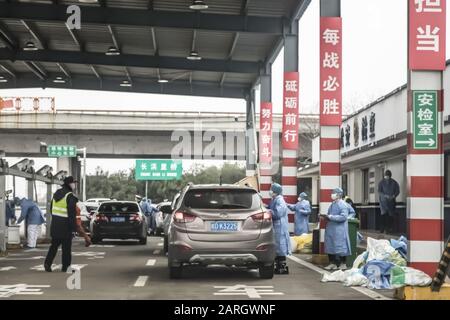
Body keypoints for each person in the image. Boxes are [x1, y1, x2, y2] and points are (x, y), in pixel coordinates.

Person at [44, 176, 79, 272]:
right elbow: (72, 215)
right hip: (66, 227)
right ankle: (66, 267)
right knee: (66, 248)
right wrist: (74, 229)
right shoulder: (70, 196)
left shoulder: (56, 194)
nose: (74, 185)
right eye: (73, 183)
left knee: (54, 246)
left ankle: (47, 264)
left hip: (55, 225)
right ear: (69, 184)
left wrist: (57, 219)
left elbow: (51, 209)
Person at [321, 187, 351, 271]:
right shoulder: (333, 204)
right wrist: (325, 217)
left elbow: (344, 217)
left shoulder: (343, 204)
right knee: (330, 245)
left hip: (339, 229)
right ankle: (332, 263)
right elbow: (329, 214)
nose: (332, 195)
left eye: (333, 193)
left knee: (340, 246)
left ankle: (343, 263)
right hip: (331, 228)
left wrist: (331, 217)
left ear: (339, 195)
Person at [267, 183, 291, 275]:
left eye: (271, 190)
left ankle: (282, 266)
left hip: (279, 226)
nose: (270, 191)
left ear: (275, 191)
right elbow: (271, 208)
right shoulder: (274, 199)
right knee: (277, 246)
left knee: (280, 246)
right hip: (276, 226)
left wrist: (268, 211)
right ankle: (278, 266)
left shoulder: (280, 200)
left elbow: (278, 213)